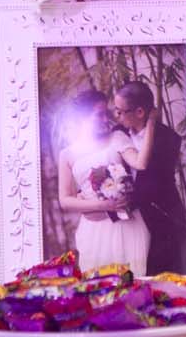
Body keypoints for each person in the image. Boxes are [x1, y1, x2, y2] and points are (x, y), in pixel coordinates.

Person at [55, 89, 149, 274]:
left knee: (134, 280)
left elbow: (140, 163)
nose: (106, 120)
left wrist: (151, 123)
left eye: (106, 114)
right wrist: (103, 205)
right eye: (99, 115)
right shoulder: (67, 154)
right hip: (93, 231)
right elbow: (65, 200)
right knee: (98, 284)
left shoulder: (117, 138)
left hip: (127, 226)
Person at [113, 81, 186, 275]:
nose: (117, 116)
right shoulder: (117, 134)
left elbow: (155, 184)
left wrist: (125, 202)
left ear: (140, 112)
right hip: (126, 221)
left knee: (159, 275)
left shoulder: (168, 139)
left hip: (160, 218)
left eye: (121, 111)